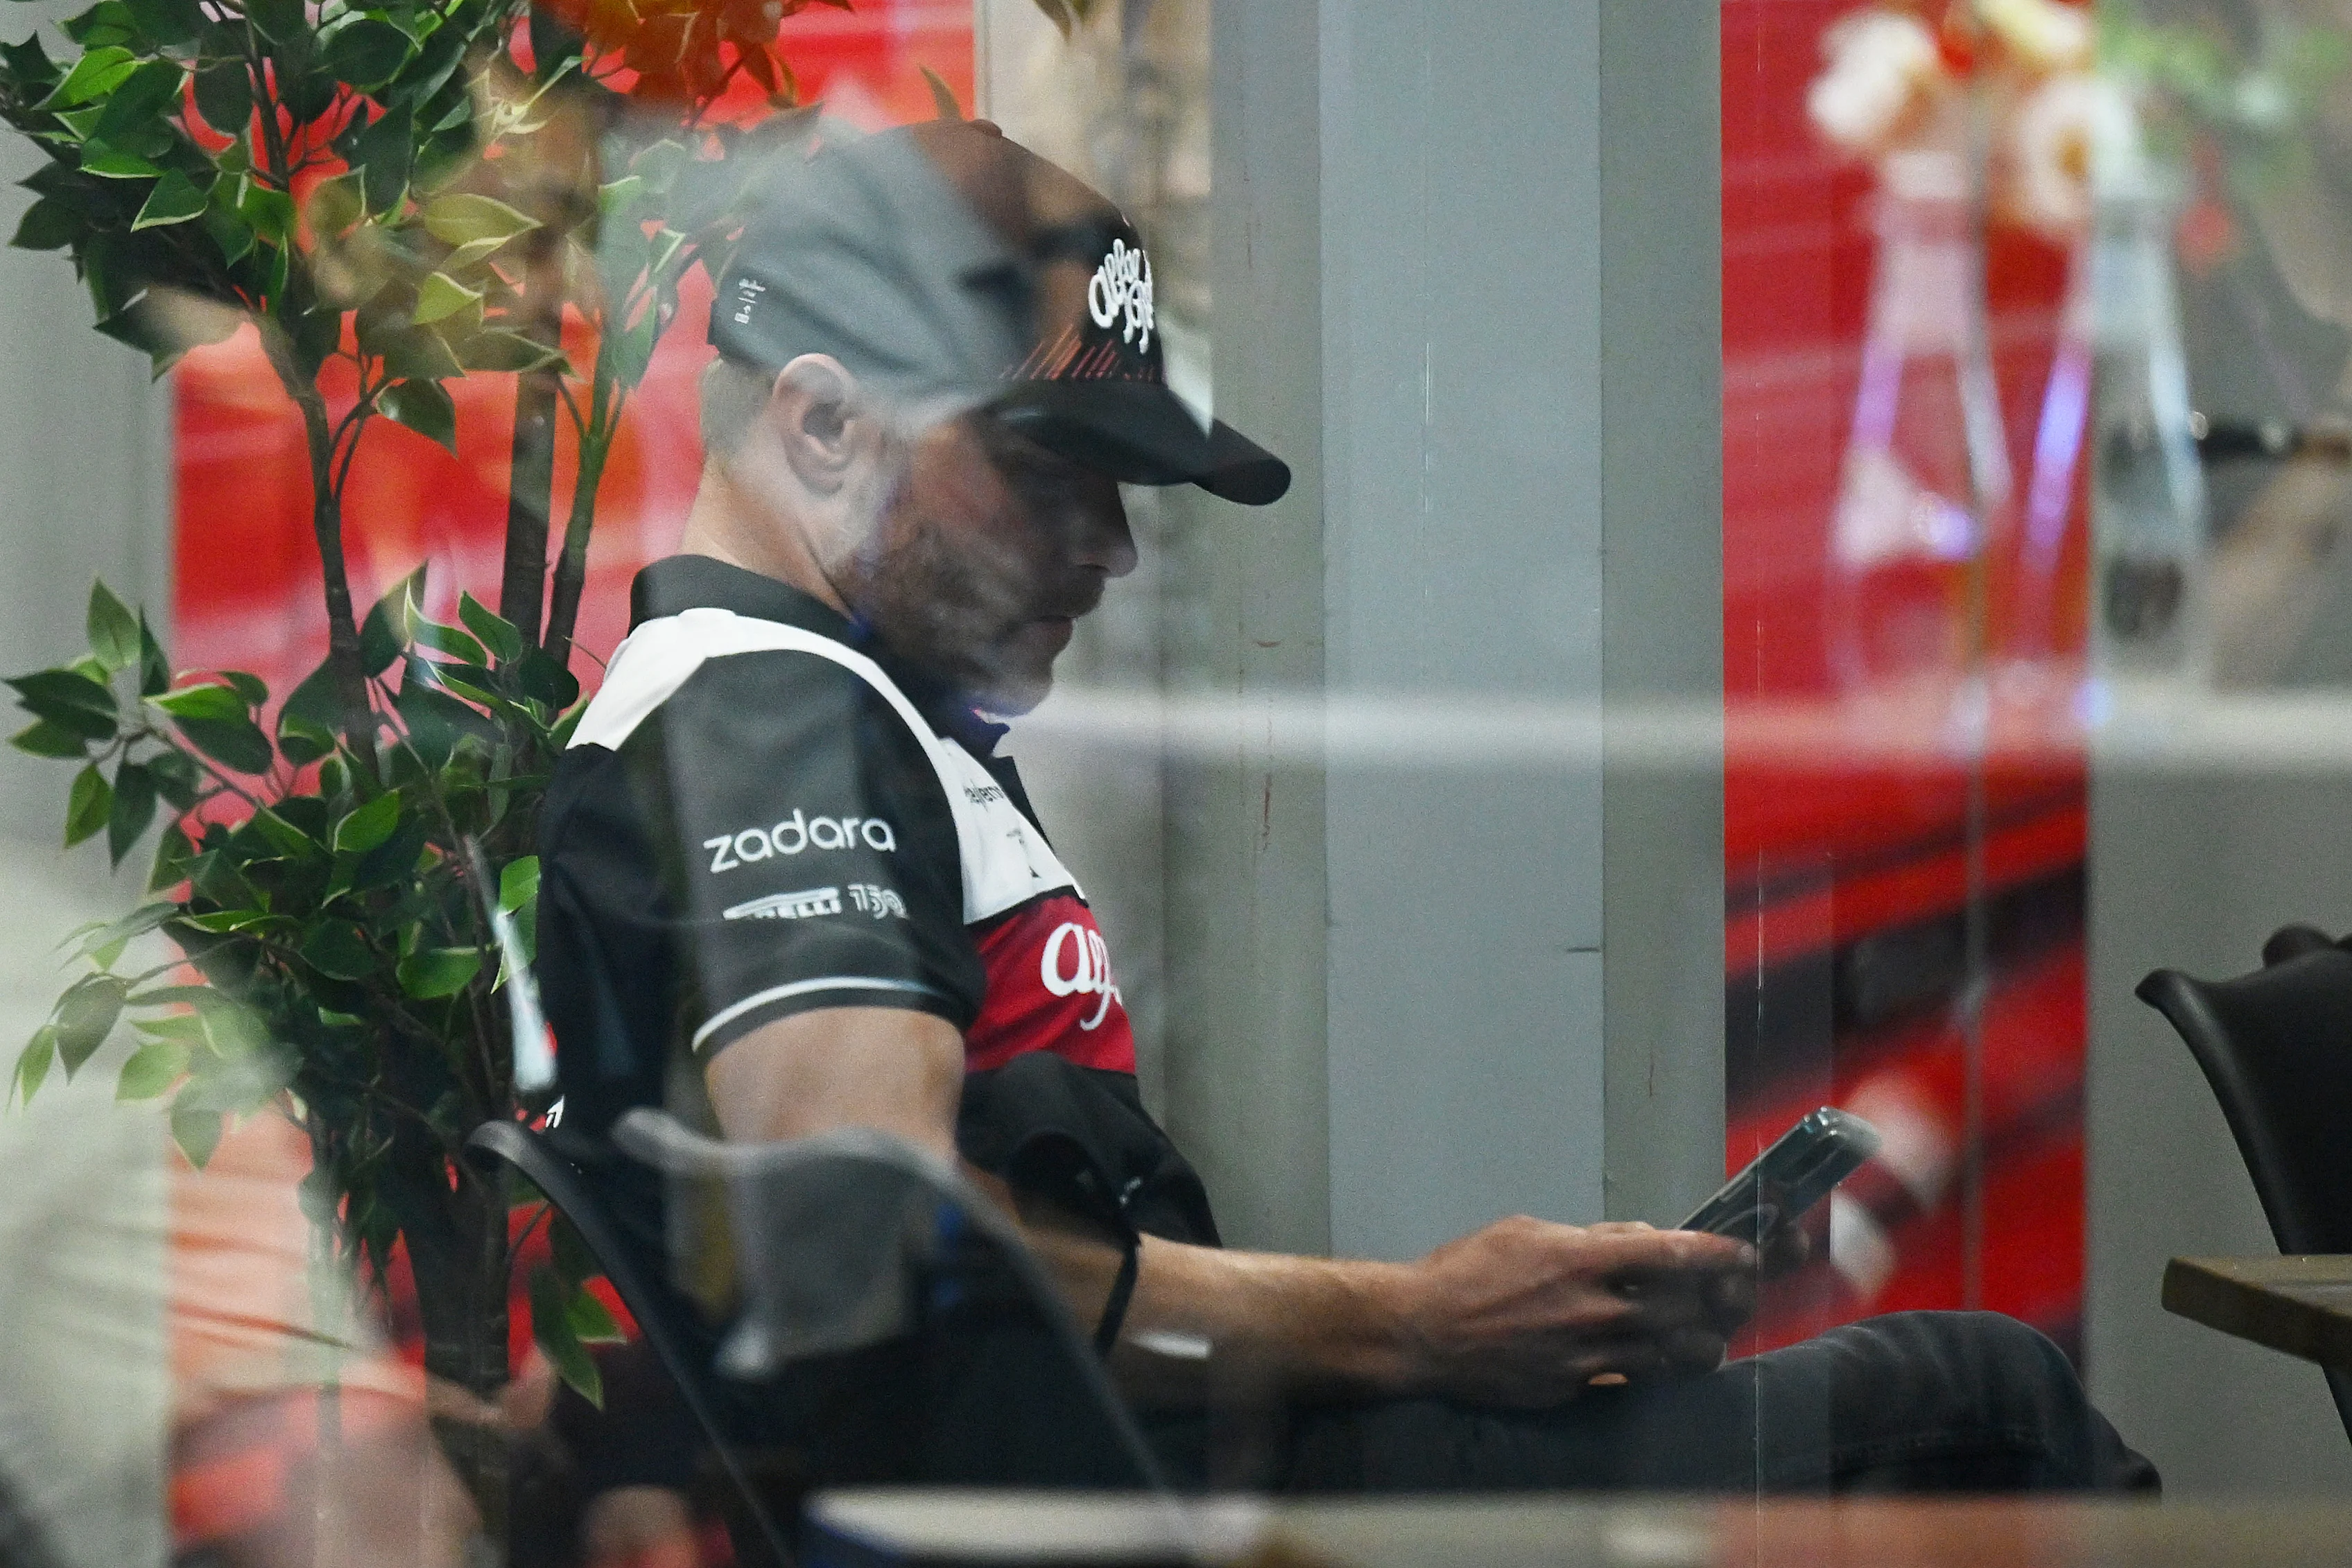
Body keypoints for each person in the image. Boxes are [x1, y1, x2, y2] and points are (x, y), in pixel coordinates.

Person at [534, 114, 2154, 1497]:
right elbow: (862, 1234)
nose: (1109, 545)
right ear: (825, 423)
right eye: (1048, 471)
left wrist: (1447, 1340)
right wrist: (1415, 1324)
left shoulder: (829, 702)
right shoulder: (765, 717)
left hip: (1172, 1474)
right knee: (1976, 1404)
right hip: (1143, 1509)